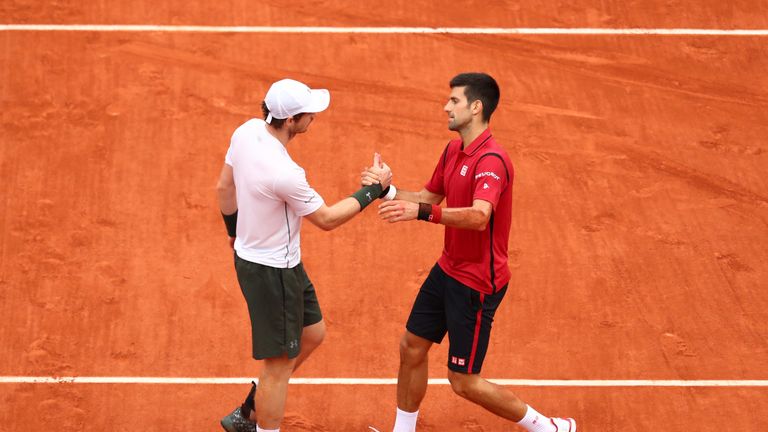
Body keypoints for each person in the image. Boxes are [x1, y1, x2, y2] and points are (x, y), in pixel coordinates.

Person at [366, 73, 576, 432]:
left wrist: (422, 214)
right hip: (449, 268)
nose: (446, 106)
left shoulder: (492, 161)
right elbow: (427, 198)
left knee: (463, 381)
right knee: (412, 347)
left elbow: (480, 216)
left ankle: (547, 427)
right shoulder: (453, 150)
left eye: (454, 101)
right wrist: (387, 191)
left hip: (477, 281)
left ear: (476, 107)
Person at [216, 78, 394, 432]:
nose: (314, 117)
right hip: (274, 274)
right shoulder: (286, 174)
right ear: (291, 120)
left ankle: (253, 407)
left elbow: (224, 187)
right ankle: (259, 423)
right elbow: (327, 219)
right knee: (278, 367)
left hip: (274, 263)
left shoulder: (247, 131)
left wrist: (234, 234)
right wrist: (374, 190)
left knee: (312, 333)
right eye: (308, 113)